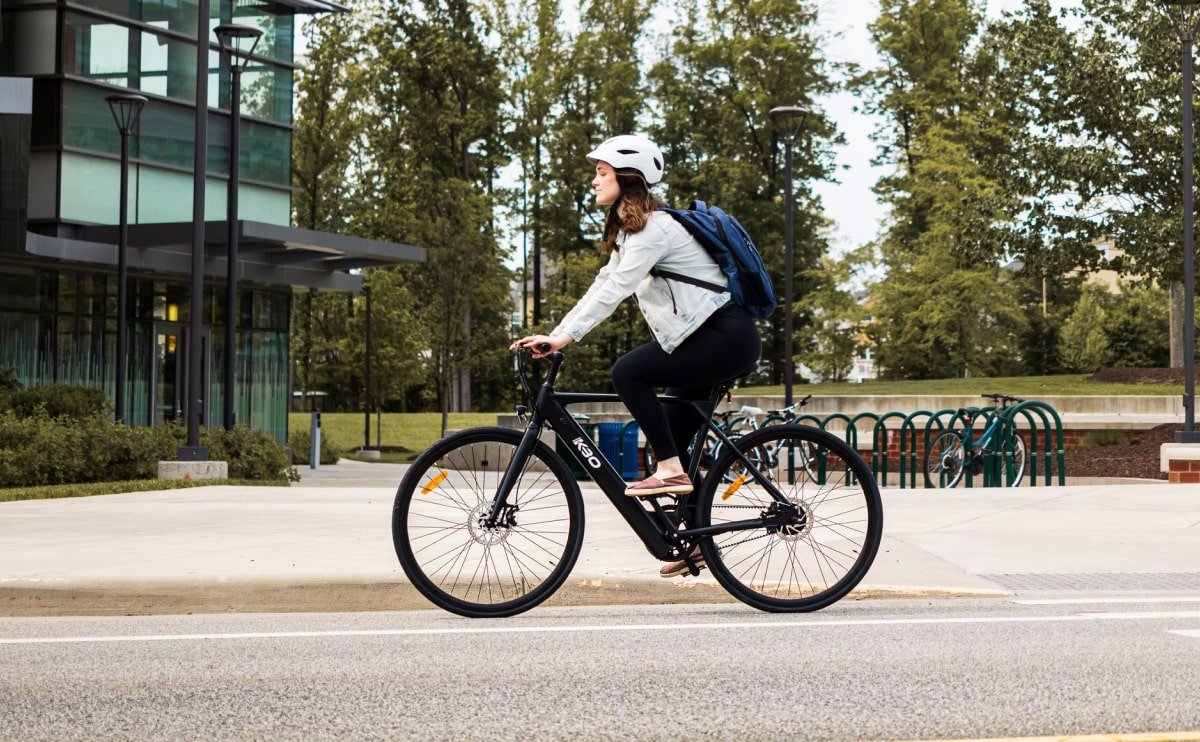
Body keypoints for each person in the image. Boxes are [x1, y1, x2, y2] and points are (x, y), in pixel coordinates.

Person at [511, 134, 762, 576]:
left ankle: (673, 473)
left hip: (725, 337)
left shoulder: (654, 229)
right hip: (704, 340)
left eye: (601, 173)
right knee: (668, 445)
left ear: (627, 178)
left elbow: (616, 290)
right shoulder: (634, 232)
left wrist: (564, 338)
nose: (594, 181)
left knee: (628, 372)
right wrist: (558, 333)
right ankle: (696, 541)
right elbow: (603, 284)